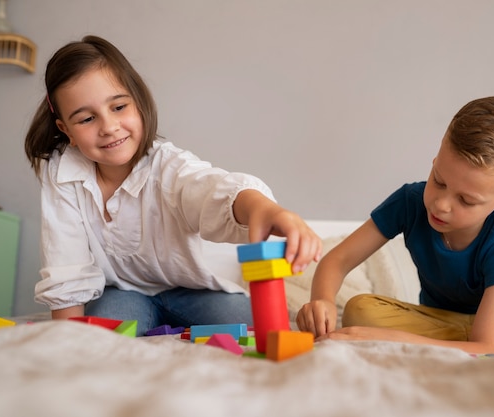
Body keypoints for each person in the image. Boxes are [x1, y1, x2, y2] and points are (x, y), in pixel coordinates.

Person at [25, 35, 322, 336]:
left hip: (192, 291)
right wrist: (66, 343)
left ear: (138, 103)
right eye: (87, 118)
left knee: (257, 326)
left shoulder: (169, 166)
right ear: (66, 130)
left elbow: (209, 190)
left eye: (118, 107)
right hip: (121, 292)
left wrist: (261, 207)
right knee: (99, 335)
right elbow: (66, 263)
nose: (109, 127)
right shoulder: (62, 173)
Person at [297, 96, 494, 355]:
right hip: (440, 322)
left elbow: (490, 342)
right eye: (439, 181)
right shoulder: (410, 201)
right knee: (361, 309)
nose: (441, 204)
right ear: (435, 161)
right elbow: (337, 261)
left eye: (466, 200)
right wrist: (321, 300)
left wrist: (395, 339)